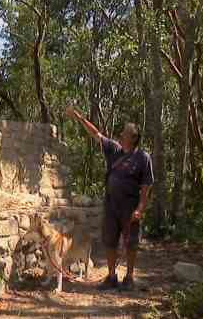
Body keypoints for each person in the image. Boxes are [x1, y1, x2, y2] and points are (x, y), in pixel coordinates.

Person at [65, 106, 153, 291]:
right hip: (111, 204)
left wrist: (140, 209)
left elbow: (146, 187)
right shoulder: (114, 150)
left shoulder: (143, 158)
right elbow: (96, 134)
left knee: (131, 243)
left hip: (130, 206)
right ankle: (112, 276)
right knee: (109, 240)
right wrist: (80, 118)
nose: (121, 135)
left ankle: (129, 278)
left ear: (134, 138)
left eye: (125, 133)